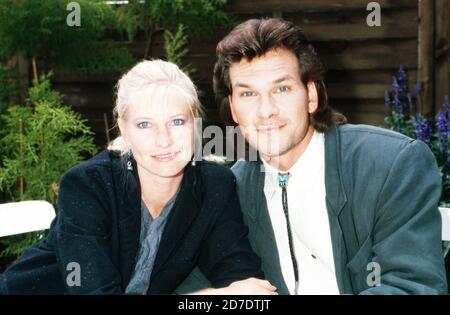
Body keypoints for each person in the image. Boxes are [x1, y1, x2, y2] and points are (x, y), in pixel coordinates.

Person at [179, 18, 448, 294]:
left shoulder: (390, 165)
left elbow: (414, 286)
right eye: (248, 94)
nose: (266, 110)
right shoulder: (228, 190)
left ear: (310, 96)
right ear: (233, 110)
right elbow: (184, 286)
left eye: (281, 89)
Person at [0, 60, 277, 295]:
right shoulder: (89, 186)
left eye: (177, 122)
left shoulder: (214, 186)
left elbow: (244, 283)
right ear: (124, 128)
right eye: (145, 125)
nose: (164, 140)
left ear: (196, 123)